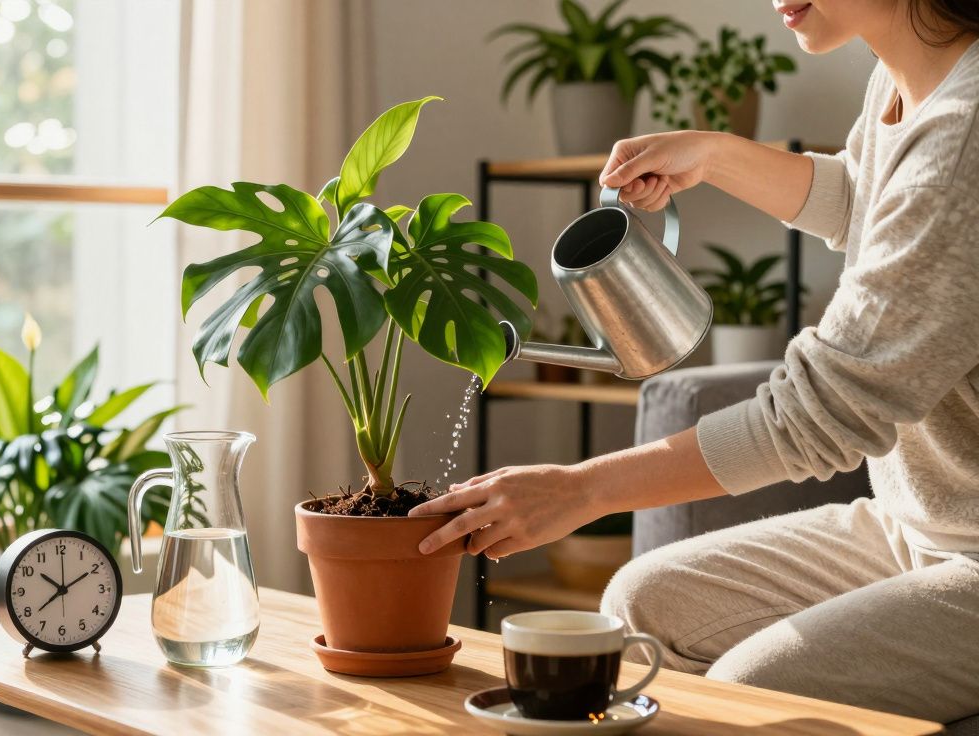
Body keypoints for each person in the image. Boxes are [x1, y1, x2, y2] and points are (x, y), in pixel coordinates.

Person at [411, 0, 979, 723]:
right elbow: (860, 201)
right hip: (912, 529)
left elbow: (823, 413)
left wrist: (583, 489)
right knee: (643, 602)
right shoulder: (902, 82)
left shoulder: (965, 131)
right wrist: (711, 153)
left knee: (747, 692)